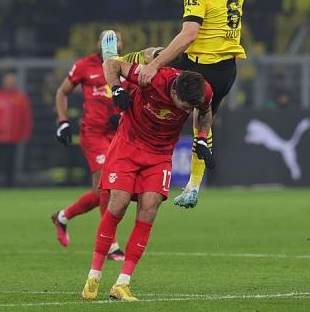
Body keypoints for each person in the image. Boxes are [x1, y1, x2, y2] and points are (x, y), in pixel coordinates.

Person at [106, 0, 271, 208]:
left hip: (197, 66)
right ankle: (194, 186)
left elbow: (188, 35)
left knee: (150, 59)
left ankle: (114, 61)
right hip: (226, 72)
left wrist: (157, 65)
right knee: (203, 123)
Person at [81, 58, 214, 302]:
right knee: (118, 204)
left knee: (149, 210)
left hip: (160, 154)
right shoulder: (152, 77)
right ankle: (94, 275)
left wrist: (203, 137)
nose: (186, 112)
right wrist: (117, 89)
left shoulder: (202, 91)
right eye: (184, 107)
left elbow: (205, 113)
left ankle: (122, 284)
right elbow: (111, 63)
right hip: (128, 146)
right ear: (173, 90)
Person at [50, 30, 126, 261]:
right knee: (108, 186)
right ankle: (110, 244)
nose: (113, 43)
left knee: (101, 191)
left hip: (118, 135)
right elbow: (61, 92)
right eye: (107, 39)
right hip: (93, 134)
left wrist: (123, 116)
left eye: (117, 39)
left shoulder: (126, 66)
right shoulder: (85, 65)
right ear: (98, 43)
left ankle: (62, 216)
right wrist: (63, 122)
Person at [0, 72, 33, 187]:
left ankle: (9, 185)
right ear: (3, 82)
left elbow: (26, 118)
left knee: (10, 164)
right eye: (8, 81)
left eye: (12, 81)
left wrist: (25, 134)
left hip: (13, 138)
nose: (10, 83)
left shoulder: (21, 98)